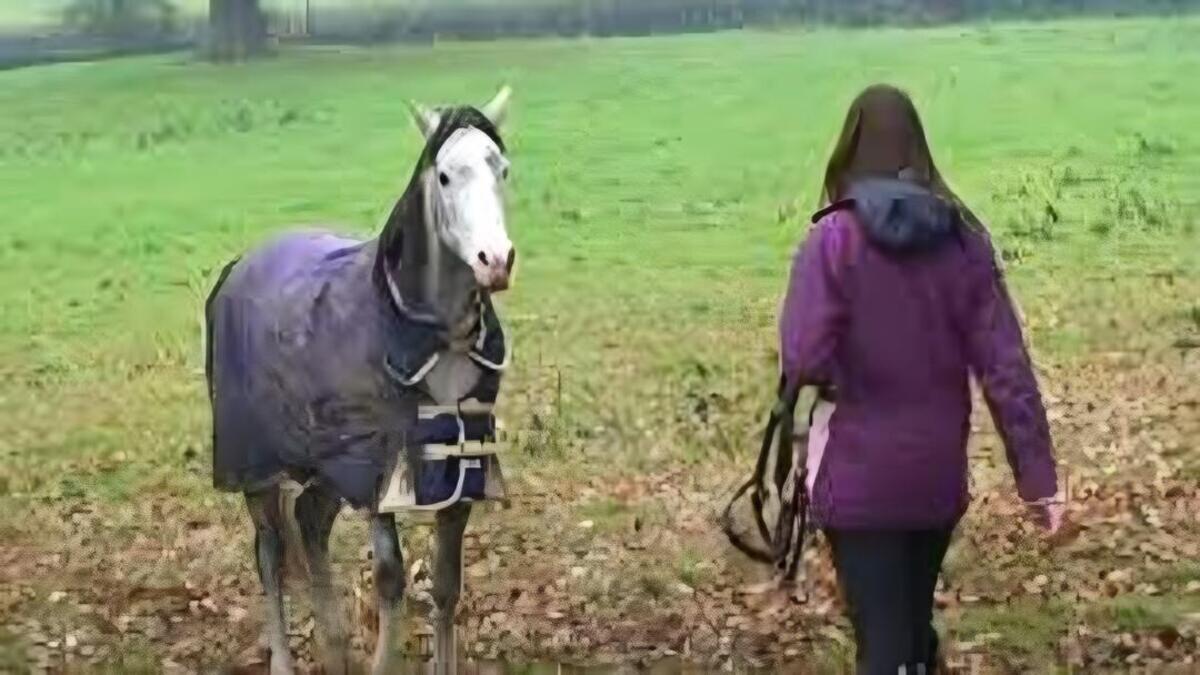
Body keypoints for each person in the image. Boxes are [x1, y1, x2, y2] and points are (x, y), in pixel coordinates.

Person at [778, 84, 1065, 674]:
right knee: (908, 627)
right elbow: (1006, 367)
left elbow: (803, 357)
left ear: (849, 148)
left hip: (855, 475)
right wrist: (1038, 481)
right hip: (935, 475)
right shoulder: (962, 239)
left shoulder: (831, 240)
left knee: (883, 643)